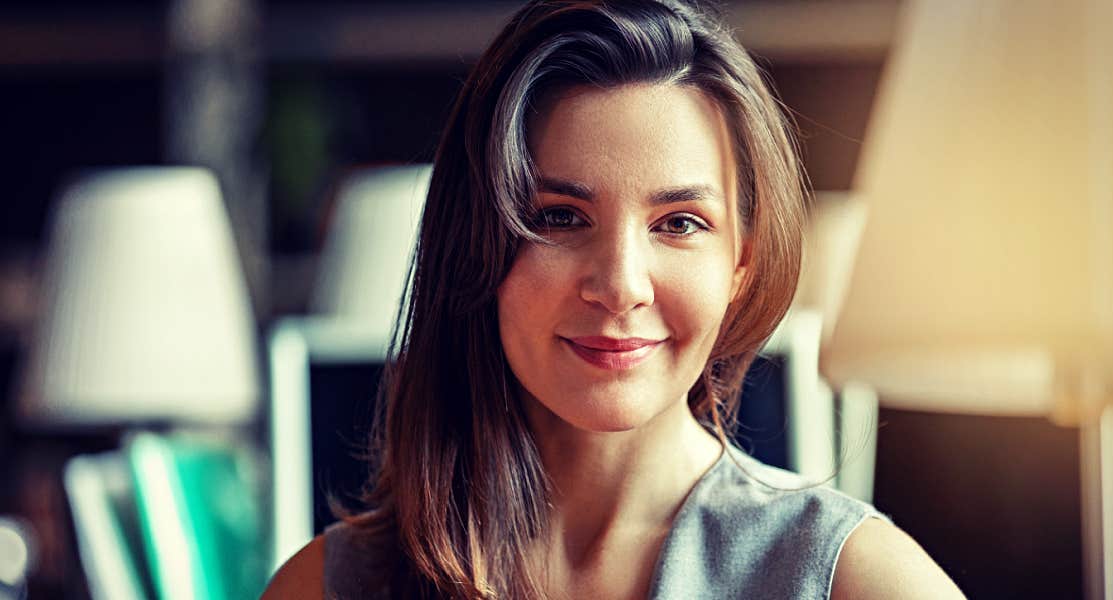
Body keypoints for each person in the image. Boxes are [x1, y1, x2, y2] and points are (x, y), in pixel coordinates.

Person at [264, 1, 964, 598]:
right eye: (560, 217)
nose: (621, 284)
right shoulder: (330, 584)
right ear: (475, 241)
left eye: (679, 224)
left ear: (741, 264)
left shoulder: (856, 579)